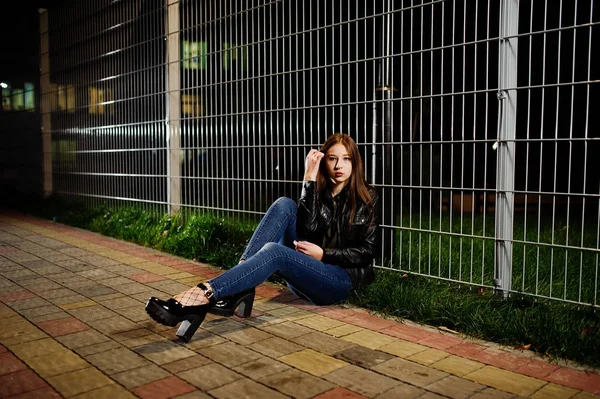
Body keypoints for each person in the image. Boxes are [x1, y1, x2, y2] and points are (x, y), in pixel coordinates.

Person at [145, 133, 380, 342]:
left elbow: (367, 252)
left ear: (354, 162)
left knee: (273, 251)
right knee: (284, 205)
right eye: (332, 158)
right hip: (305, 273)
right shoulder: (319, 192)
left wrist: (324, 254)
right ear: (323, 162)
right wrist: (309, 180)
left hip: (336, 281)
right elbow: (307, 231)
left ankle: (202, 294)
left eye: (346, 158)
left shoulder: (367, 197)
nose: (339, 165)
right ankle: (238, 288)